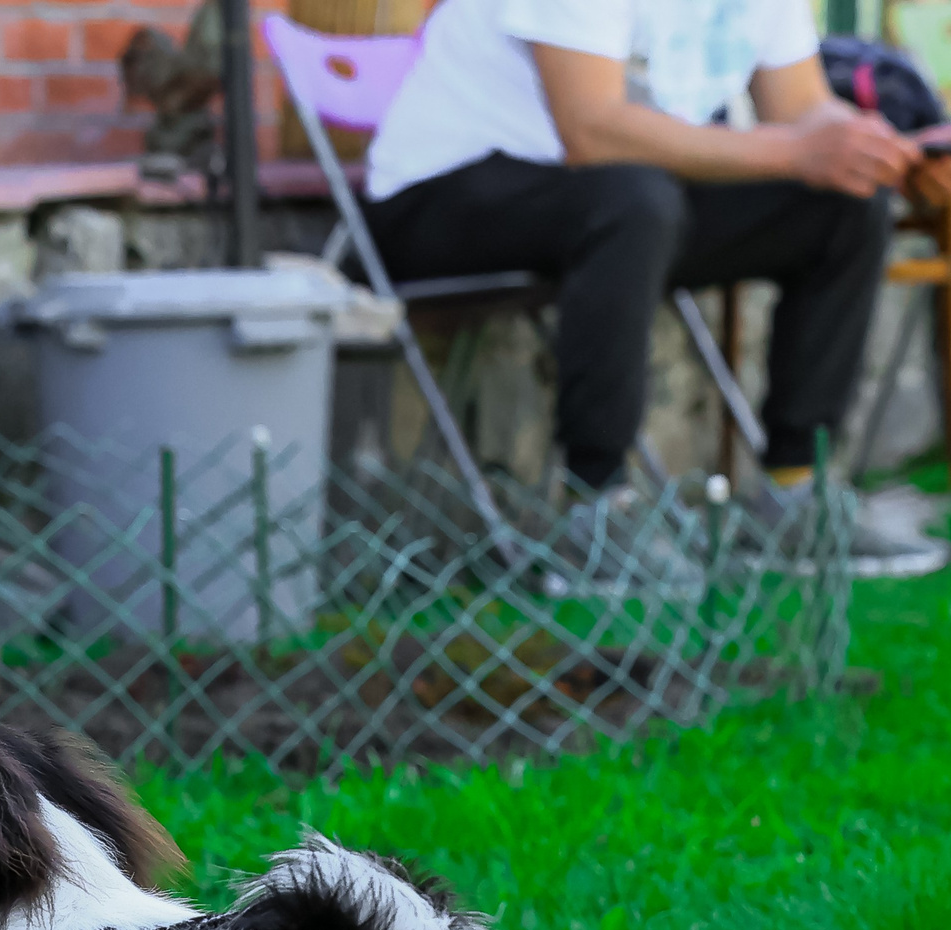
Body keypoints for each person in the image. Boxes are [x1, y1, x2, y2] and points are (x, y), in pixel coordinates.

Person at [363, 0, 944, 578]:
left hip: (612, 197)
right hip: (438, 199)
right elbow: (589, 129)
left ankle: (794, 499)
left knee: (844, 200)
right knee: (634, 201)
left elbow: (801, 108)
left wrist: (868, 146)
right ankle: (597, 513)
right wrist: (796, 152)